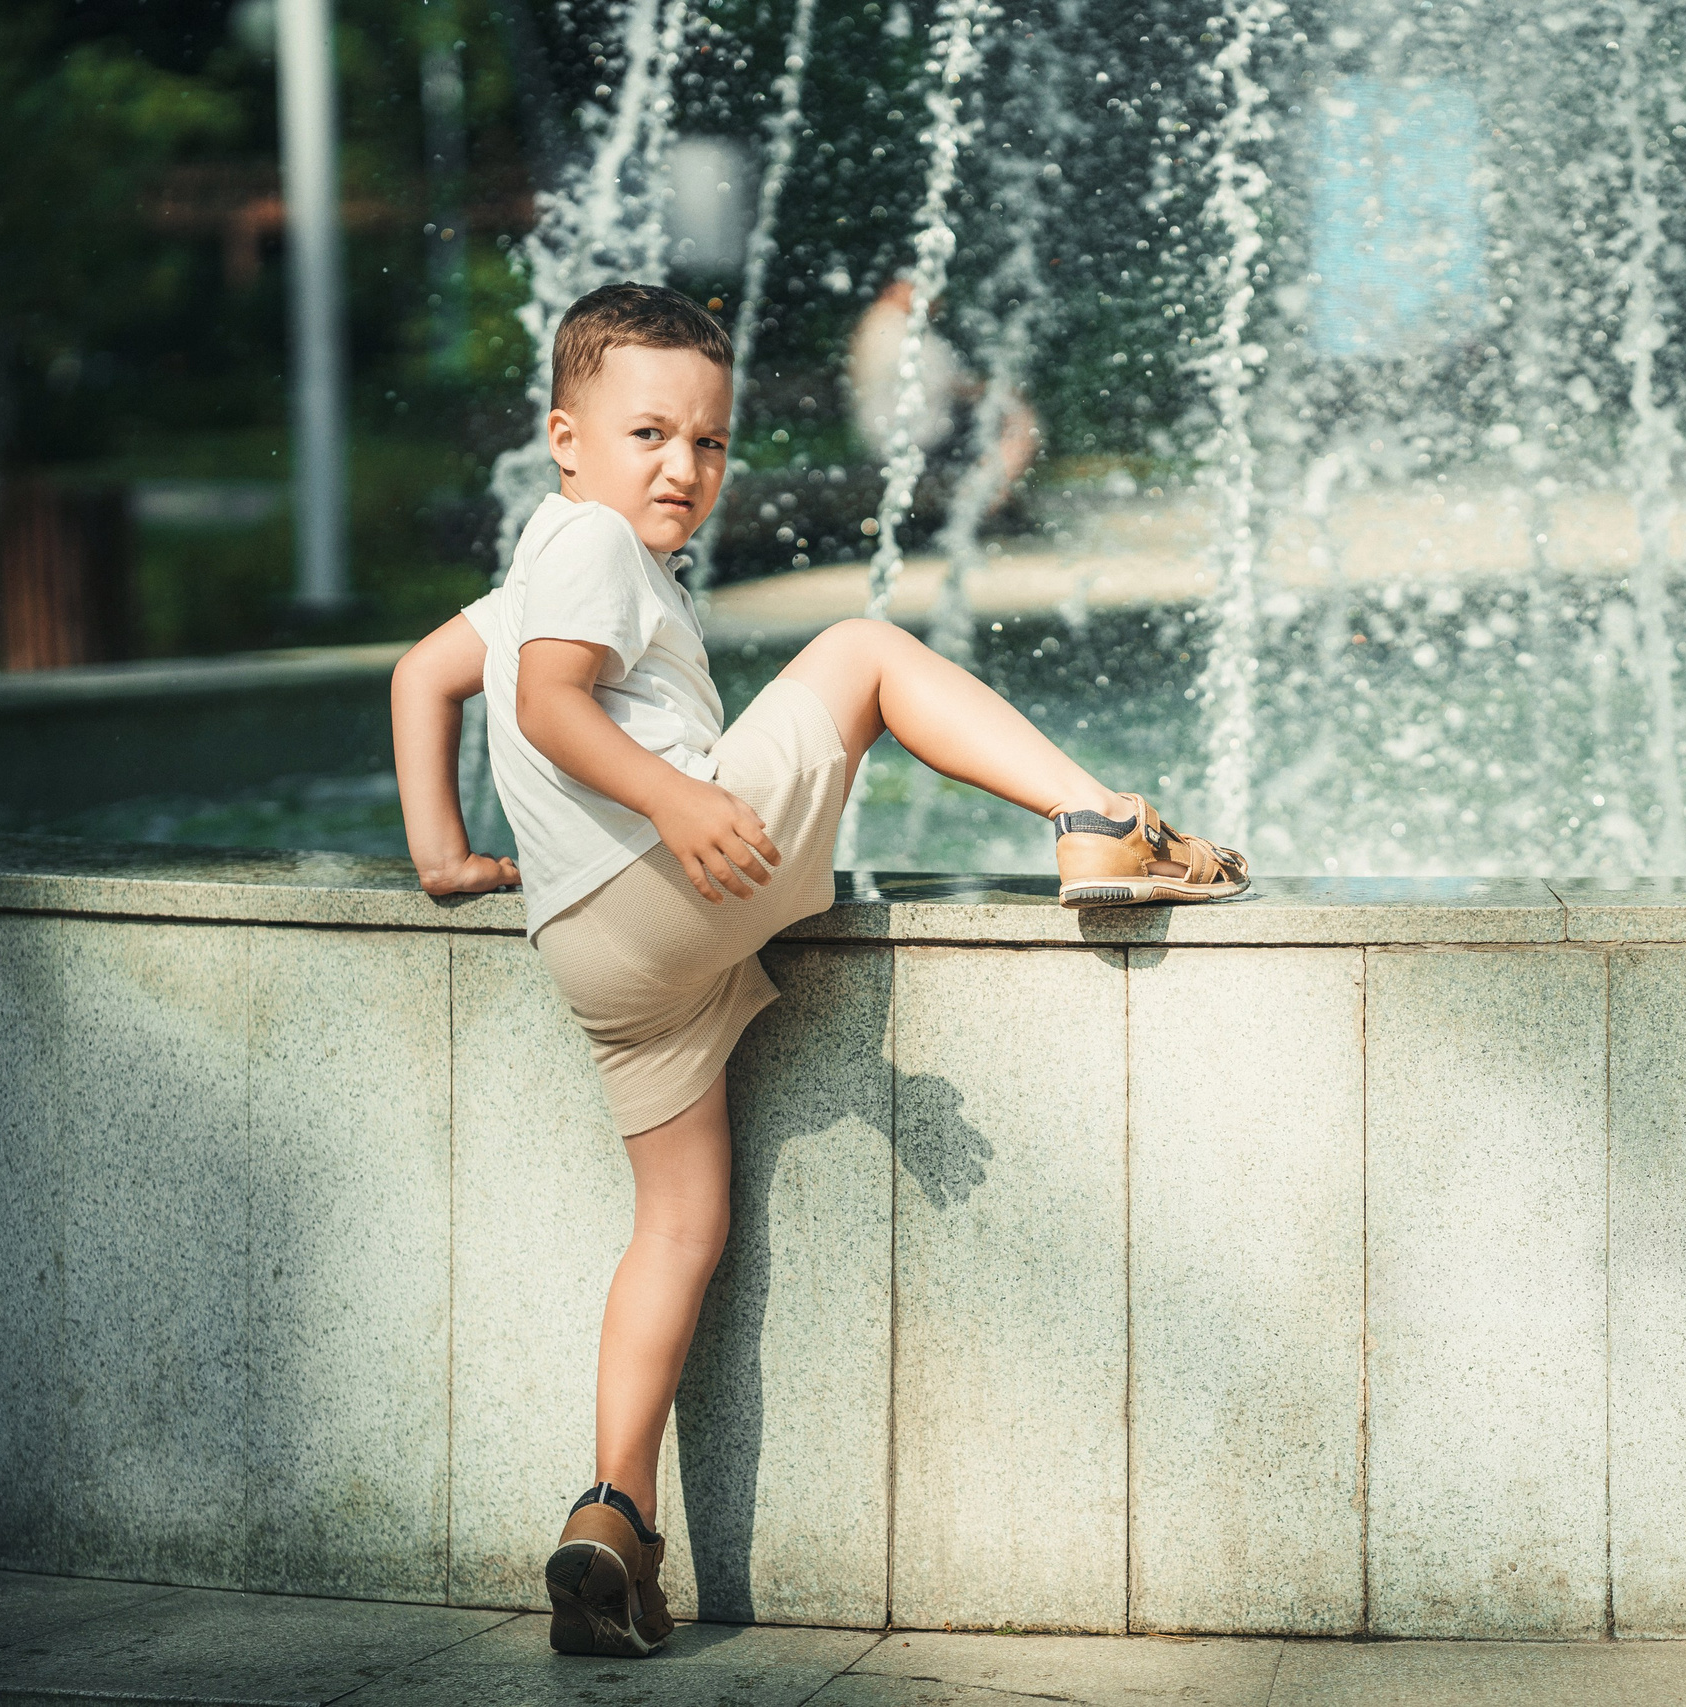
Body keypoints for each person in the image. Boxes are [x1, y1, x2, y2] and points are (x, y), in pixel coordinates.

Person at [388, 281, 1245, 1658]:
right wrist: (676, 805)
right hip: (676, 876)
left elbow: (423, 678)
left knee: (676, 1224)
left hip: (595, 955)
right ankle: (1098, 820)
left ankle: (614, 1510)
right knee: (864, 650)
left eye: (711, 442)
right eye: (649, 432)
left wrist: (442, 850)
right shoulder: (596, 548)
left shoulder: (538, 562)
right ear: (566, 435)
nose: (683, 468)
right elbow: (545, 706)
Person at [846, 275, 1040, 501]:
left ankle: (980, 501)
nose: (934, 296)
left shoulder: (880, 323)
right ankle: (986, 504)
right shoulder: (895, 327)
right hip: (920, 437)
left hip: (895, 435)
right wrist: (994, 389)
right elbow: (947, 382)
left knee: (999, 416)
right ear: (896, 288)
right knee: (1019, 419)